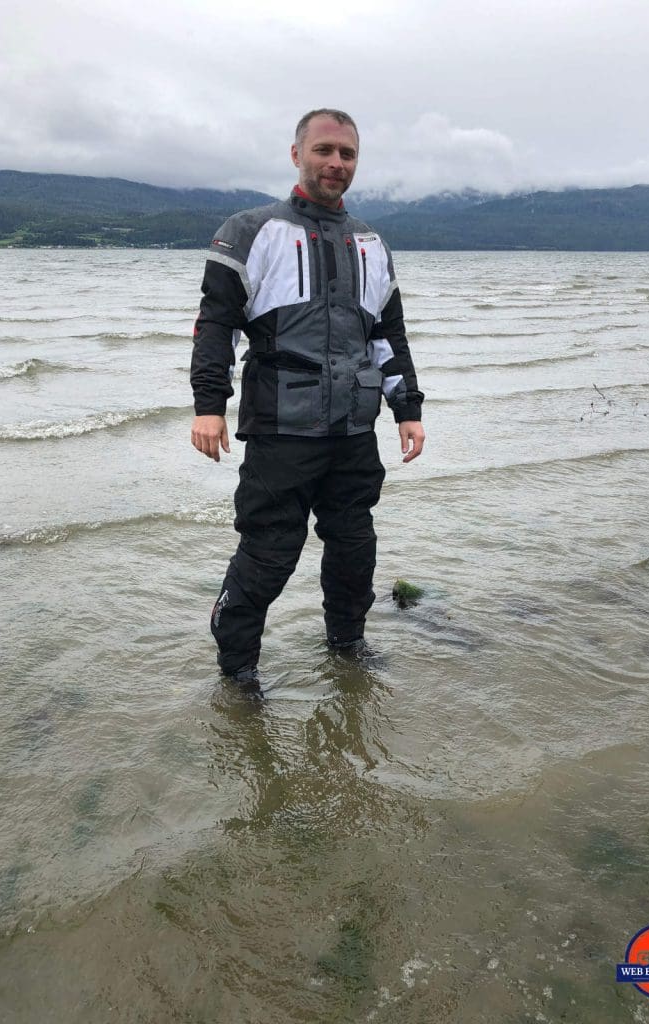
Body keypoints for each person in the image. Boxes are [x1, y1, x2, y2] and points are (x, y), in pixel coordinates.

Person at [190, 108, 424, 694]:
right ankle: (238, 672)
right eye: (324, 150)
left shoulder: (372, 244)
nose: (335, 163)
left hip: (353, 433)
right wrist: (209, 404)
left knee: (354, 553)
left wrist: (408, 409)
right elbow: (217, 324)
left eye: (346, 154)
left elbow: (387, 338)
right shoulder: (249, 230)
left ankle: (348, 648)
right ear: (297, 154)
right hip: (279, 432)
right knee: (268, 555)